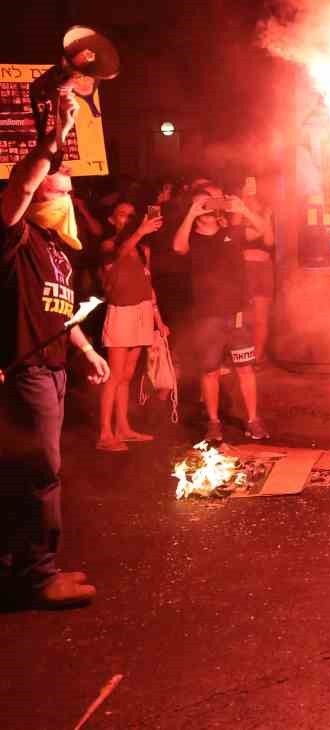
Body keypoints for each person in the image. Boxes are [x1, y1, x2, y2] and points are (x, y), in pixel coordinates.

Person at [1, 87, 108, 608]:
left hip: (55, 367)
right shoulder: (17, 239)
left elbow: (60, 315)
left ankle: (18, 562)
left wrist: (85, 352)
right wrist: (54, 136)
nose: (65, 197)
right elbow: (19, 187)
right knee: (41, 474)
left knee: (26, 471)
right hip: (25, 372)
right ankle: (39, 577)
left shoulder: (57, 251)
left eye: (68, 190)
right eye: (56, 190)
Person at [173, 184, 272, 442]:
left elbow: (263, 231)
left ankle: (253, 420)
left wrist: (244, 210)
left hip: (237, 314)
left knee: (245, 369)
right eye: (202, 204)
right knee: (210, 371)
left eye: (211, 202)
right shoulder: (191, 237)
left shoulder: (232, 232)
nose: (208, 207)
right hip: (207, 316)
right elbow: (178, 248)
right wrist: (191, 215)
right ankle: (214, 423)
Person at [96, 201, 169, 451]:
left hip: (142, 311)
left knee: (127, 376)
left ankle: (123, 428)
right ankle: (105, 434)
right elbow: (118, 255)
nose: (127, 219)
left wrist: (158, 319)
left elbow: (148, 284)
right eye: (122, 215)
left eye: (131, 215)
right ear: (111, 220)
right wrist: (140, 231)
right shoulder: (108, 245)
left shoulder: (142, 249)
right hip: (122, 312)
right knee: (114, 376)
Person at [239, 176, 276, 365]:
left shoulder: (266, 211)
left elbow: (269, 241)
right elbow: (239, 235)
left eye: (253, 185)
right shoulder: (237, 211)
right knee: (244, 317)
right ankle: (242, 357)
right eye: (247, 185)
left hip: (263, 268)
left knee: (261, 317)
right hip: (244, 268)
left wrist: (266, 219)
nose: (251, 189)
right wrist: (242, 201)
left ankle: (257, 358)